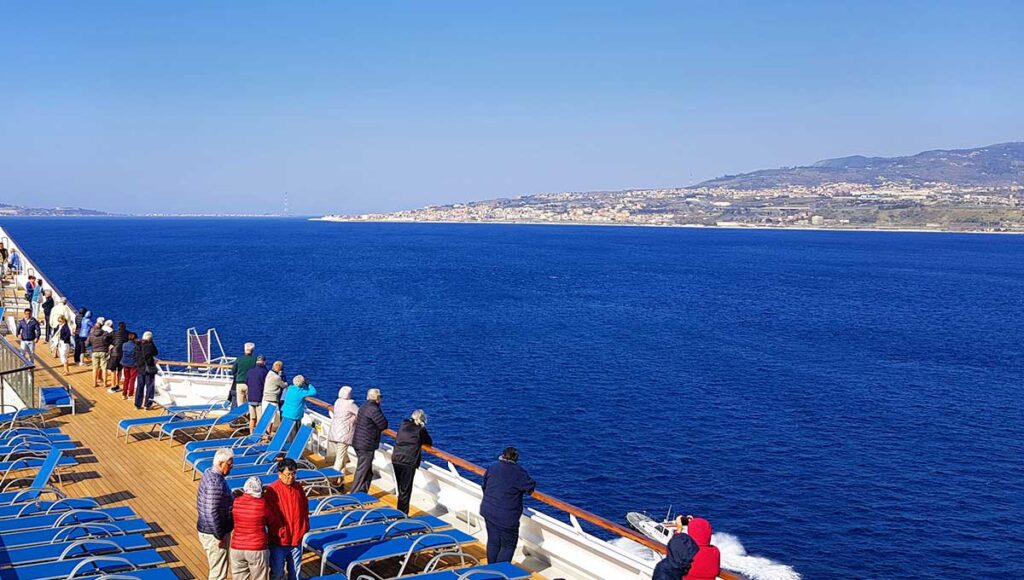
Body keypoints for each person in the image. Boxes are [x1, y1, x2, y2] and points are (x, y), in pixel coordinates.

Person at [480, 447, 536, 564]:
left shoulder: (492, 468)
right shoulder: (519, 472)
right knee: (508, 545)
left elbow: (484, 486)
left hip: (489, 510)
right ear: (516, 458)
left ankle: (491, 570)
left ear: (503, 455)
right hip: (507, 516)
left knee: (493, 541)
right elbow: (529, 487)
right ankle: (500, 574)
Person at [265, 458, 309, 580]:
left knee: (295, 573)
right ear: (279, 474)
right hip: (279, 540)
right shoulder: (272, 491)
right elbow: (269, 515)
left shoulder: (298, 488)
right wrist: (279, 531)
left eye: (294, 473)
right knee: (277, 572)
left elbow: (305, 507)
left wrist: (304, 526)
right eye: (288, 474)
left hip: (296, 538)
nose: (291, 477)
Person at [197, 448, 234, 580]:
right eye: (229, 464)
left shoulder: (209, 473)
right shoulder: (215, 483)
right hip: (214, 533)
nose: (231, 467)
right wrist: (219, 535)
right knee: (218, 572)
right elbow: (211, 512)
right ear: (220, 464)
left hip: (207, 529)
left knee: (217, 568)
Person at [391, 409, 432, 514]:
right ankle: (402, 516)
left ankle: (400, 513)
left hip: (396, 458)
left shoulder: (403, 424)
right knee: (405, 490)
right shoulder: (420, 430)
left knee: (401, 488)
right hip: (408, 462)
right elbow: (429, 441)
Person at [230, 476, 271, 580]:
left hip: (237, 546)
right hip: (257, 548)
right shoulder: (263, 504)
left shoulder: (236, 502)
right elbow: (271, 520)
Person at [351, 388, 388, 494]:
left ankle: (362, 493)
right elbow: (383, 424)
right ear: (376, 398)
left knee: (367, 471)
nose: (381, 399)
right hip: (366, 444)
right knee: (362, 471)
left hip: (359, 441)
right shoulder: (373, 409)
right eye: (380, 397)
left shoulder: (364, 406)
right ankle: (354, 496)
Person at [327, 385, 358, 485]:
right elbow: (359, 413)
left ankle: (341, 479)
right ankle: (333, 480)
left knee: (342, 456)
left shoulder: (337, 402)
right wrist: (353, 419)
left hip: (334, 432)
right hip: (343, 435)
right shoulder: (350, 403)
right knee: (340, 458)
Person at [244, 355, 270, 432]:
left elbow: (246, 382)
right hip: (259, 398)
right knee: (259, 419)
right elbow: (267, 384)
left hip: (250, 398)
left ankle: (251, 434)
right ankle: (258, 436)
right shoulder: (265, 372)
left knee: (252, 418)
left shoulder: (250, 371)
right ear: (264, 362)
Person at [135, 331, 159, 410]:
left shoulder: (138, 345)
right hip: (148, 369)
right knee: (150, 387)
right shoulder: (149, 346)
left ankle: (137, 404)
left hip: (140, 368)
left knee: (140, 386)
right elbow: (155, 353)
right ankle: (147, 404)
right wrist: (152, 343)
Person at [262, 361, 287, 434]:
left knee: (265, 418)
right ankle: (268, 434)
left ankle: (263, 433)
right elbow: (283, 385)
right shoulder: (277, 378)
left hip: (265, 398)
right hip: (272, 400)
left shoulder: (269, 373)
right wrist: (285, 381)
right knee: (271, 419)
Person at [230, 342, 257, 408]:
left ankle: (241, 417)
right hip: (250, 384)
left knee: (240, 404)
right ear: (253, 350)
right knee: (250, 404)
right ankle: (249, 416)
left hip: (239, 383)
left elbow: (233, 371)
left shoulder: (239, 359)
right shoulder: (255, 360)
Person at [88, 320, 112, 387]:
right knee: (104, 368)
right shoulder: (105, 333)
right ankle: (105, 383)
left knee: (95, 368)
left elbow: (87, 343)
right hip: (103, 351)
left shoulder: (92, 334)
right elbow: (109, 341)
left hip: (95, 352)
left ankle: (94, 383)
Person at [107, 321, 128, 391]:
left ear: (118, 327)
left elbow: (105, 338)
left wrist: (111, 343)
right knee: (119, 369)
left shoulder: (114, 333)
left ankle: (113, 385)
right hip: (122, 353)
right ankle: (117, 385)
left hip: (114, 353)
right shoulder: (127, 333)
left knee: (113, 370)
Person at [120, 331, 139, 401]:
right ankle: (130, 394)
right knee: (132, 379)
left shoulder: (124, 345)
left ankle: (124, 394)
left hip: (125, 363)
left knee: (126, 379)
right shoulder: (135, 346)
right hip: (133, 364)